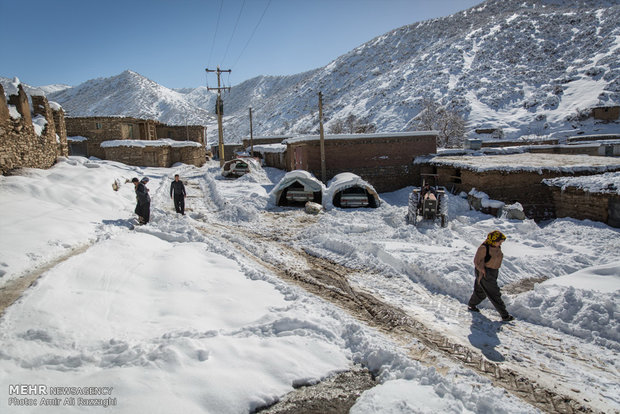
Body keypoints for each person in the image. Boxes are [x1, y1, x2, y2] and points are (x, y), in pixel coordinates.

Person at [467, 230, 514, 321]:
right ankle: (504, 315)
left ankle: (472, 304)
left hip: (493, 271)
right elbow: (477, 262)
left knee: (480, 291)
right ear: (493, 240)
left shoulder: (496, 246)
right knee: (494, 293)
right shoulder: (484, 248)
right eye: (499, 241)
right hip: (485, 273)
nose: (501, 244)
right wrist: (483, 271)